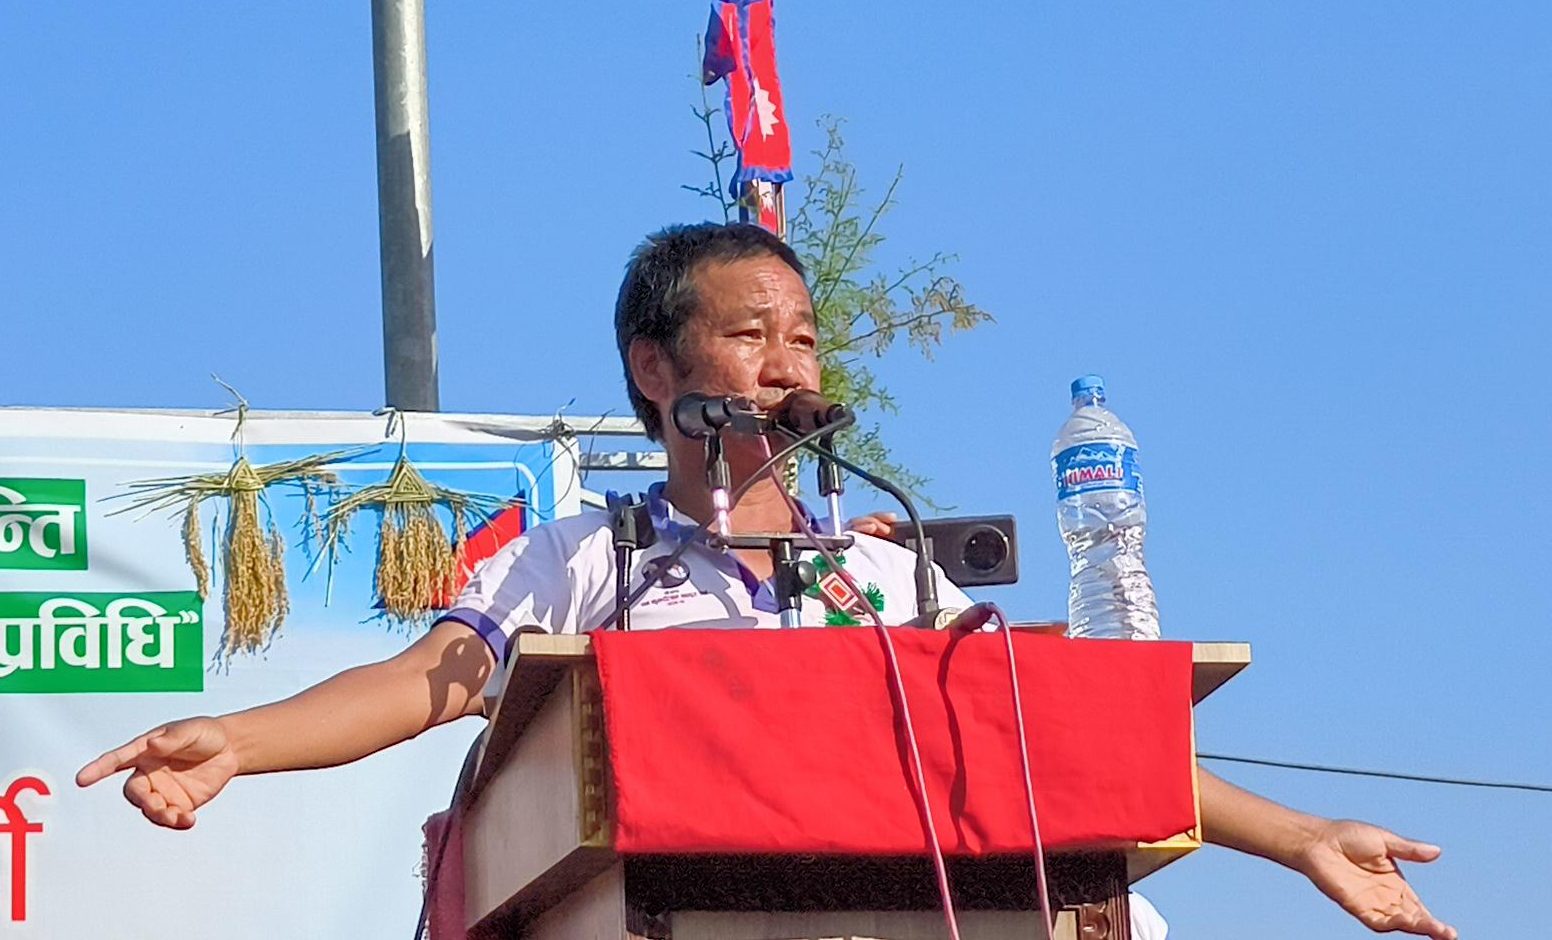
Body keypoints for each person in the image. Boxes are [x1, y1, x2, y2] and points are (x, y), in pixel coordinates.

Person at [78, 222, 1457, 940]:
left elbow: (1052, 748)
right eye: (752, 334)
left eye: (804, 337)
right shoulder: (590, 558)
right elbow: (422, 685)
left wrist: (1298, 839)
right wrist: (239, 741)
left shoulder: (884, 575)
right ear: (654, 365)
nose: (791, 364)